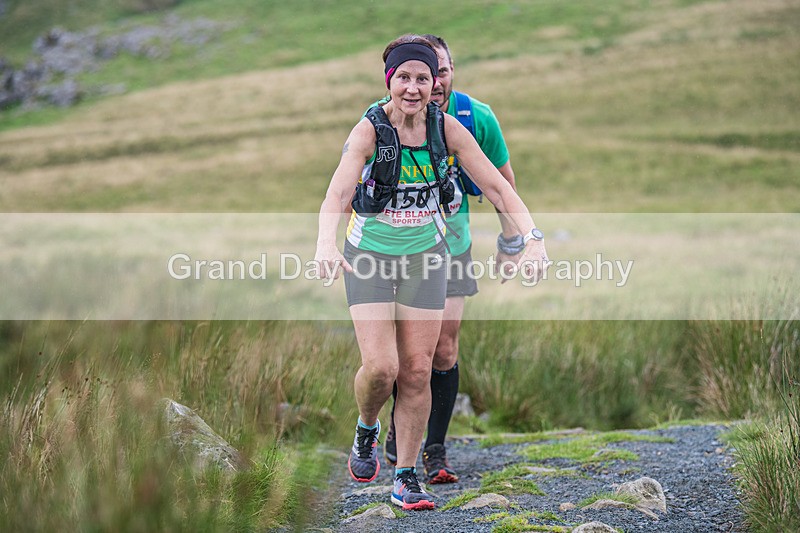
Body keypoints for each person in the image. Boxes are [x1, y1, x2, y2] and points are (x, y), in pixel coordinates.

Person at [315, 34, 548, 511]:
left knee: (418, 370)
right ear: (390, 81)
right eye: (405, 77)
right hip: (371, 259)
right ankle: (366, 426)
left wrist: (532, 239)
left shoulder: (448, 129)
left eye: (424, 77)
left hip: (428, 258)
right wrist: (324, 242)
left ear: (434, 81)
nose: (415, 87)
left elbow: (501, 190)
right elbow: (337, 195)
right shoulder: (370, 130)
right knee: (382, 370)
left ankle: (405, 475)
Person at [381, 34, 525, 485]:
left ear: (450, 72)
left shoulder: (475, 118)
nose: (432, 82)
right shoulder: (385, 117)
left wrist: (512, 239)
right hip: (393, 246)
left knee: (443, 344)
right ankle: (396, 426)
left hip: (453, 243)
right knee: (401, 356)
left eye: (440, 72)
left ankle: (435, 449)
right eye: (423, 74)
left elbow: (503, 181)